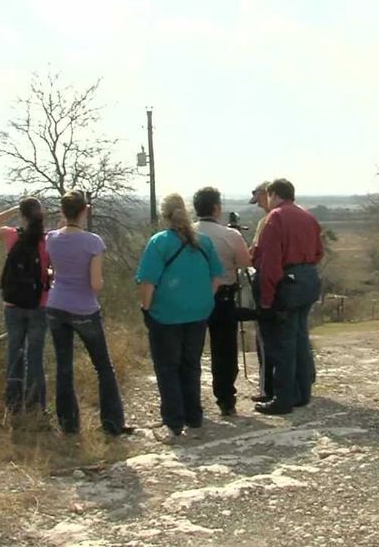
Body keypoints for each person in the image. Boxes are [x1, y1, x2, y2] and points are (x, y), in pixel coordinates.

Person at [45, 191, 131, 436]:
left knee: (64, 366)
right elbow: (95, 284)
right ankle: (112, 424)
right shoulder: (93, 242)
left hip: (56, 305)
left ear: (62, 211)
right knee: (103, 367)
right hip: (84, 308)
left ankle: (69, 426)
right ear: (85, 210)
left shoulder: (51, 238)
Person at [136, 193, 224, 436]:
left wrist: (146, 308)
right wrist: (205, 299)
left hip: (165, 315)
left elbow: (147, 282)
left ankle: (174, 420)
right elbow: (217, 276)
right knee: (191, 365)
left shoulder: (159, 242)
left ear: (165, 215)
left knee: (167, 367)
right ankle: (194, 415)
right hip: (198, 313)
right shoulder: (203, 242)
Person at [251, 178, 323, 415]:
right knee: (301, 338)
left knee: (283, 342)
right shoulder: (308, 216)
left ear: (273, 194)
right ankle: (302, 394)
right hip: (309, 279)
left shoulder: (276, 218)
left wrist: (266, 300)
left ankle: (283, 398)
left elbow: (271, 264)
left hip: (288, 281)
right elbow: (318, 252)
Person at [0, 197, 51, 428]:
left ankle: (12, 406)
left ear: (22, 216)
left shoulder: (12, 235)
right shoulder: (47, 239)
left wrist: (12, 210)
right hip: (39, 304)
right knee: (35, 357)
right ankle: (36, 408)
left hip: (13, 306)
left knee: (15, 354)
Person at [192, 187, 251, 416]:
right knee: (224, 350)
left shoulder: (187, 233)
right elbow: (245, 262)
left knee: (191, 349)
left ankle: (191, 401)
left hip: (193, 295)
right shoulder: (230, 235)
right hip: (224, 296)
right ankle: (226, 398)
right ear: (217, 208)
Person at [247, 180, 274, 402]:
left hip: (267, 281)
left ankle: (269, 388)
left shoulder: (270, 221)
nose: (259, 205)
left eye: (260, 200)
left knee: (265, 337)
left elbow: (257, 253)